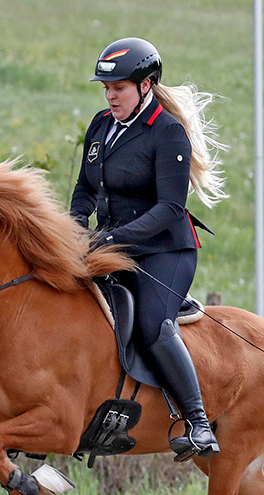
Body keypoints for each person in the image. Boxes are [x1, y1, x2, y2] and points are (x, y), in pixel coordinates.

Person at [70, 37, 228, 461]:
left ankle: (197, 422)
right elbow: (85, 187)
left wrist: (110, 238)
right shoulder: (101, 125)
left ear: (145, 84)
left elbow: (170, 207)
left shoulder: (167, 133)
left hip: (164, 251)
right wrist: (75, 225)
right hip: (112, 246)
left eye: (117, 87)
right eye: (105, 88)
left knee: (151, 325)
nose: (109, 95)